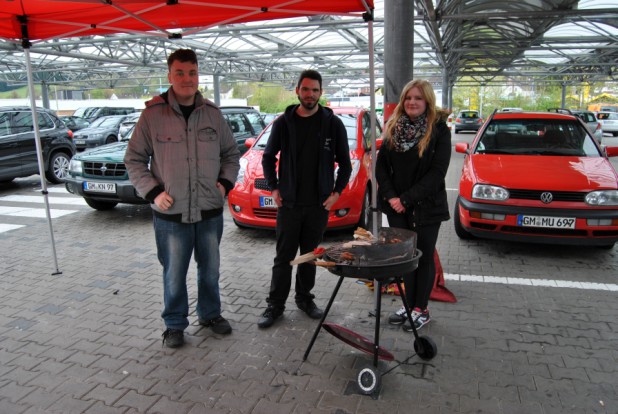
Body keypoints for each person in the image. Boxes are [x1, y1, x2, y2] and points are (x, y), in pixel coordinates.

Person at [124, 48, 240, 348]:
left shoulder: (213, 114)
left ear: (197, 74)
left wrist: (224, 185)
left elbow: (230, 155)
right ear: (169, 75)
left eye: (192, 73)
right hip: (171, 213)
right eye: (180, 73)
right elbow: (134, 159)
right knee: (174, 272)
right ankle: (174, 324)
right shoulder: (152, 115)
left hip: (209, 210)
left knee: (210, 269)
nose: (187, 79)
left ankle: (210, 314)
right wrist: (153, 192)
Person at [258, 69, 352, 329]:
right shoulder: (283, 123)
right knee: (284, 258)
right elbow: (268, 157)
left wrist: (336, 193)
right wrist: (274, 189)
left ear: (321, 93)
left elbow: (345, 164)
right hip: (288, 204)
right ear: (297, 91)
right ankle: (275, 305)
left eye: (315, 90)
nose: (310, 94)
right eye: (306, 89)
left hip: (318, 206)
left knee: (310, 256)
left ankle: (304, 298)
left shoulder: (332, 124)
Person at [375, 79, 451, 332]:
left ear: (427, 101)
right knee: (406, 256)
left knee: (424, 256)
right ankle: (409, 305)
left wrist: (405, 199)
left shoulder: (439, 130)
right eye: (408, 98)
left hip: (426, 206)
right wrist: (392, 197)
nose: (412, 102)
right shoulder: (393, 127)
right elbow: (381, 166)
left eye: (418, 98)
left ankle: (421, 309)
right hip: (396, 206)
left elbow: (437, 172)